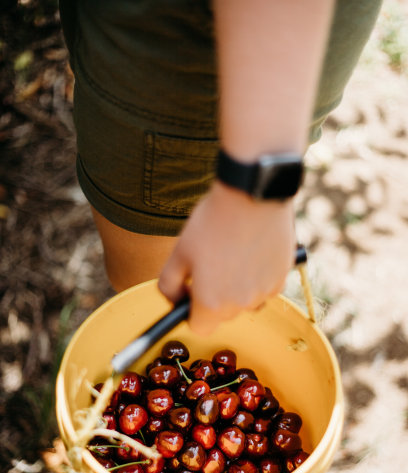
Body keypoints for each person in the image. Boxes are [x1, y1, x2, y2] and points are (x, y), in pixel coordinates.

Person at [59, 0, 382, 335]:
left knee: (159, 290)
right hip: (251, 46)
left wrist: (254, 188)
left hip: (210, 52)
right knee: (162, 292)